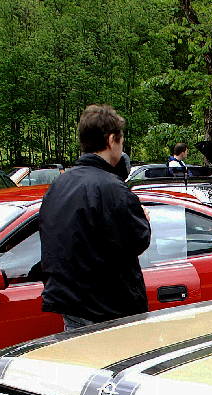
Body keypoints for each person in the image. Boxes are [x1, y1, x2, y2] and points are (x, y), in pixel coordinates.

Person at [39, 104, 152, 331]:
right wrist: (144, 220)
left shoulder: (59, 184)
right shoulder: (112, 188)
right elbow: (138, 240)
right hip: (109, 310)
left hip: (70, 305)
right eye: (121, 141)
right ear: (111, 140)